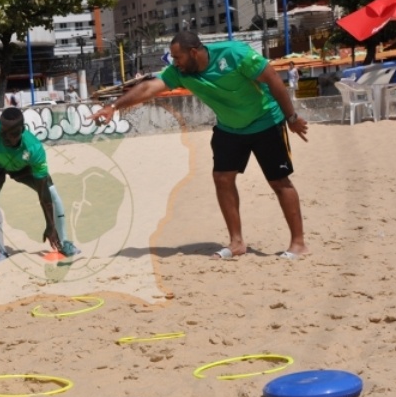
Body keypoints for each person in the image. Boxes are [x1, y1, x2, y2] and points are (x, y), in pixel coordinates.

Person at [89, 31, 309, 260]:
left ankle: (298, 243)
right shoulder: (180, 72)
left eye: (178, 58)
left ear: (193, 52)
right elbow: (148, 88)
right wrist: (114, 106)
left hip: (266, 120)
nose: (175, 63)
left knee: (278, 181)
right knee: (222, 178)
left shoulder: (234, 54)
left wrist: (291, 118)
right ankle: (236, 243)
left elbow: (273, 78)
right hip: (230, 127)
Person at [0, 107, 80, 264]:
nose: (6, 138)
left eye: (12, 134)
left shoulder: (34, 148)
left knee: (52, 192)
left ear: (22, 130)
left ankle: (63, 242)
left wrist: (50, 226)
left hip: (21, 167)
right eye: (2, 133)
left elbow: (43, 194)